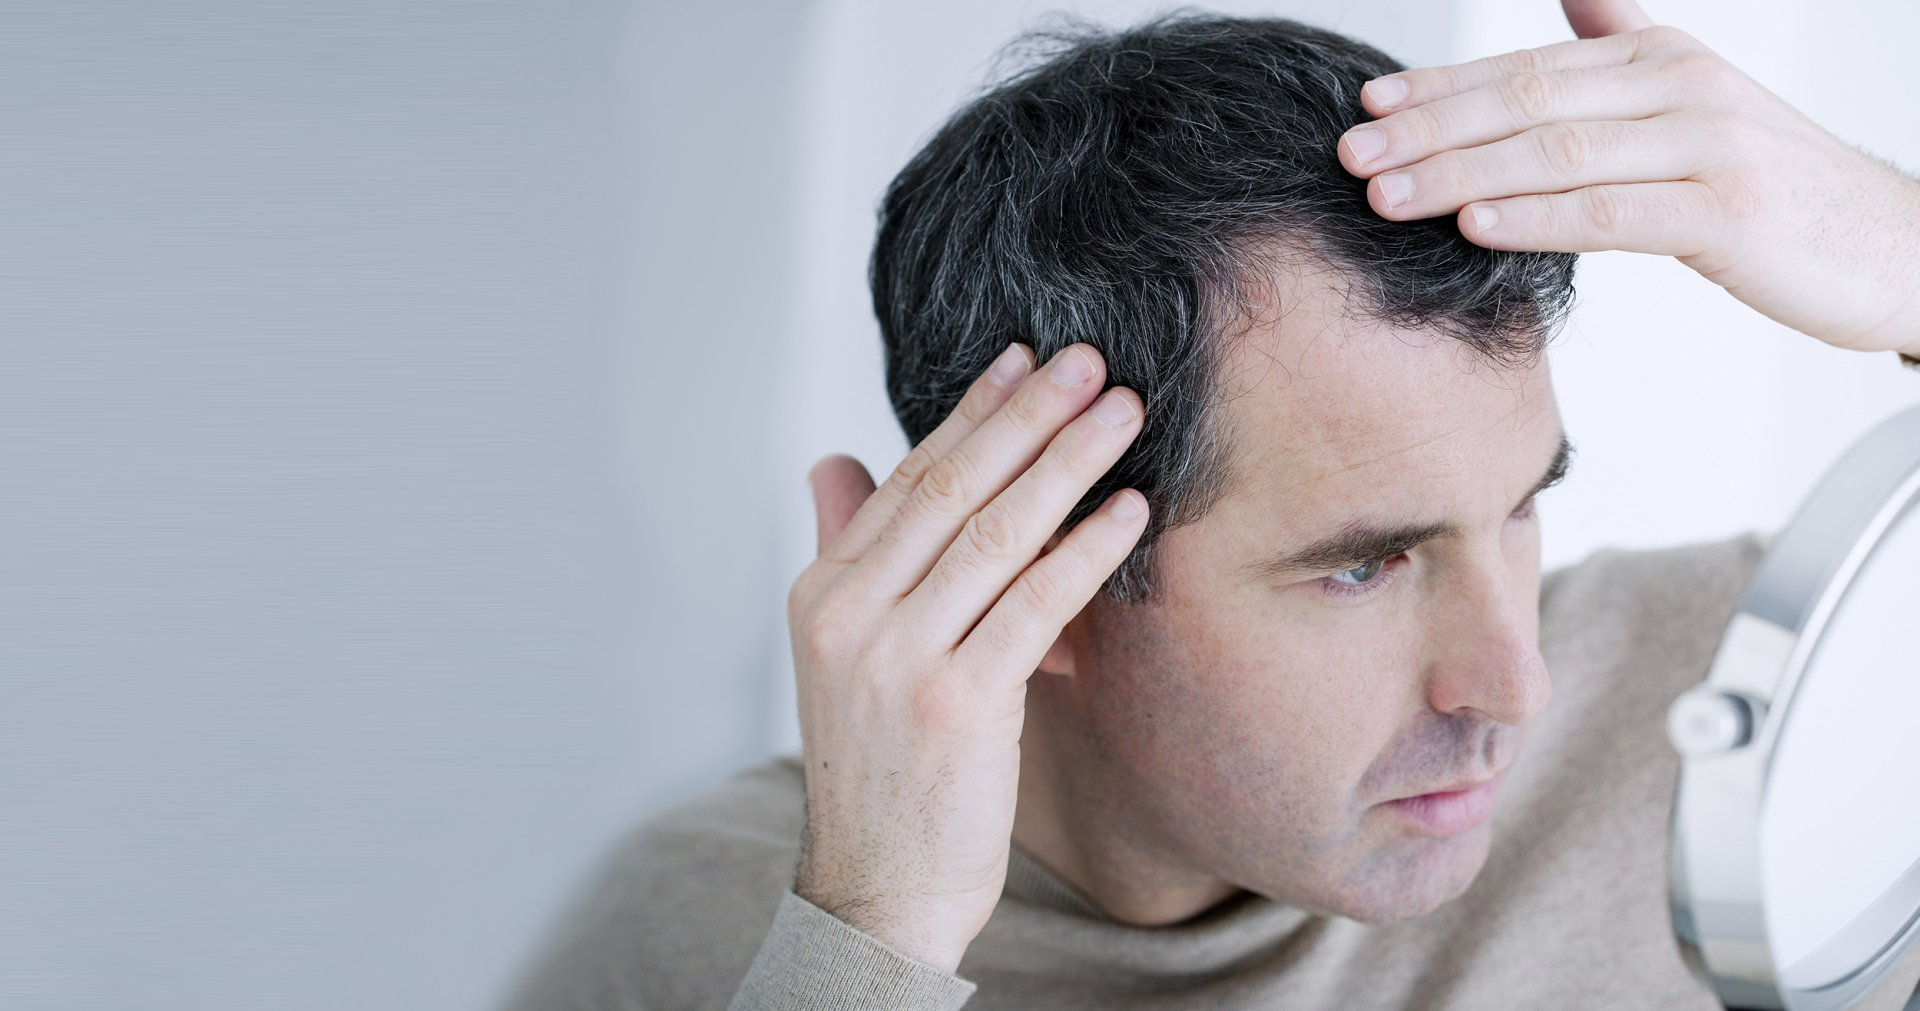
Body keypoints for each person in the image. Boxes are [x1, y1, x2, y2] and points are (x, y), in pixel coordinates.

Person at [500, 1, 1920, 1008]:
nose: (1517, 678)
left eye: (1522, 509)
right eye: (1366, 565)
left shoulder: (1757, 700)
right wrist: (875, 940)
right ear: (1028, 574)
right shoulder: (694, 942)